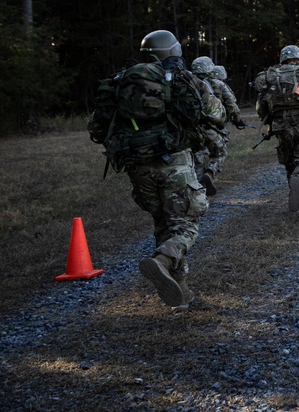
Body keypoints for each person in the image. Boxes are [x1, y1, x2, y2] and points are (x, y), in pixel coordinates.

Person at [87, 30, 226, 309]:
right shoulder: (183, 79)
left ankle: (181, 295)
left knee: (163, 223)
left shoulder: (121, 81)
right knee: (187, 224)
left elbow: (97, 128)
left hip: (136, 165)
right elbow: (217, 114)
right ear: (173, 52)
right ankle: (162, 261)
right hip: (174, 162)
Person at [253, 45, 299, 212]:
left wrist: (268, 122)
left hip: (280, 126)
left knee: (289, 161)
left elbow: (261, 105)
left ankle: (295, 194)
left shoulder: (271, 75)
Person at [190, 56, 229, 196]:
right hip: (211, 127)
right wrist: (235, 119)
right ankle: (211, 172)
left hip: (191, 128)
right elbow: (229, 103)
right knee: (220, 151)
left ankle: (198, 188)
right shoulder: (212, 84)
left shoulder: (185, 81)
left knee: (198, 156)